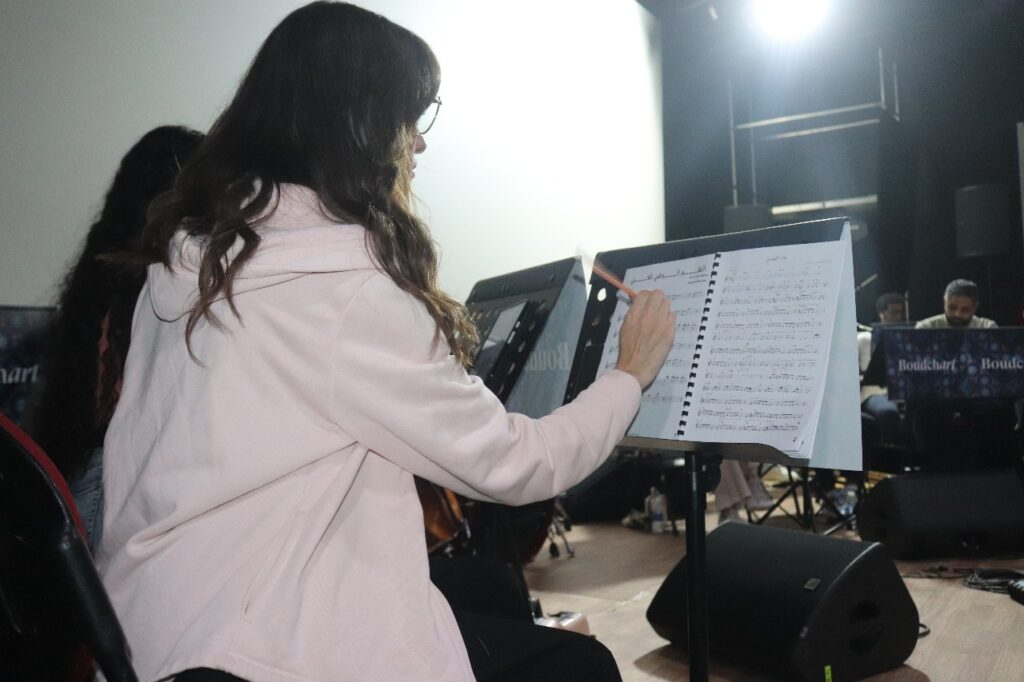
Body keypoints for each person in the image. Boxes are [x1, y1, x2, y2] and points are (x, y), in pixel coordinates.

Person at [97, 3, 676, 681]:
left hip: (156, 618)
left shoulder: (193, 261)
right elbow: (522, 467)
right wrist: (628, 375)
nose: (418, 146)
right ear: (361, 128)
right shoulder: (348, 294)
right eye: (412, 118)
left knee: (489, 586)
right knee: (582, 666)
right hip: (257, 643)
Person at [27, 125, 204, 553]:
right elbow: (119, 402)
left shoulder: (102, 268)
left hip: (84, 476)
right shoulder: (152, 280)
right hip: (111, 486)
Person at [915, 279, 997, 329]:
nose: (957, 314)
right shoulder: (926, 328)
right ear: (944, 303)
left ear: (974, 308)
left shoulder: (987, 328)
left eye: (965, 310)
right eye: (952, 308)